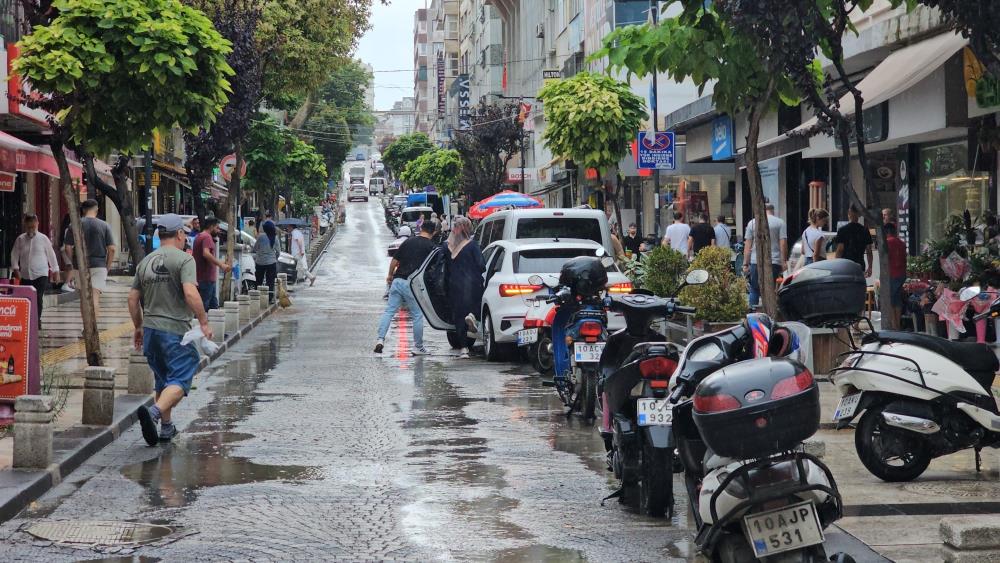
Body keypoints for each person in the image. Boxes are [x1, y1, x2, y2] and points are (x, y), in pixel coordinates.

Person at [129, 214, 211, 446]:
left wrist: (138, 326)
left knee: (163, 379)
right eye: (184, 233)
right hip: (174, 330)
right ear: (179, 234)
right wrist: (203, 322)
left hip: (151, 331)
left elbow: (132, 299)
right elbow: (190, 293)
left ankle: (166, 427)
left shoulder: (145, 262)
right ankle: (154, 413)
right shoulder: (185, 260)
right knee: (183, 373)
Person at [375, 221, 436, 356]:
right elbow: (433, 269)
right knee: (417, 315)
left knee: (389, 312)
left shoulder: (408, 242)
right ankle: (418, 347)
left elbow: (394, 261)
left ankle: (380, 339)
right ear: (434, 232)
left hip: (397, 280)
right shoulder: (431, 247)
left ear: (421, 228)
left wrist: (390, 276)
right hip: (413, 284)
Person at [64, 199, 115, 316]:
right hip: (99, 265)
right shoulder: (104, 225)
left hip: (80, 265)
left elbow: (67, 247)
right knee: (95, 298)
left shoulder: (74, 225)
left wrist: (74, 261)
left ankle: (85, 328)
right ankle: (94, 330)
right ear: (96, 210)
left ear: (83, 210)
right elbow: (112, 248)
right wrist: (107, 266)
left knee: (84, 299)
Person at [445, 216, 486, 359]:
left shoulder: (447, 247)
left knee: (458, 316)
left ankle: (463, 348)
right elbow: (482, 265)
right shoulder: (473, 245)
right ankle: (473, 317)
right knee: (475, 305)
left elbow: (442, 268)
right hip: (473, 284)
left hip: (455, 285)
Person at [11, 213, 60, 324]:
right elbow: (14, 254)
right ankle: (26, 321)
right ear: (25, 225)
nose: (31, 229)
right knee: (25, 299)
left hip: (41, 274)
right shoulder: (20, 239)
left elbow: (51, 255)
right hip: (25, 275)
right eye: (29, 227)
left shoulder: (43, 239)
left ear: (37, 224)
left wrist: (55, 271)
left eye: (33, 227)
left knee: (38, 297)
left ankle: (36, 321)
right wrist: (15, 269)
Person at [742, 203, 788, 308]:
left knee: (754, 289)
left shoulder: (752, 223)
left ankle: (752, 311)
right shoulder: (780, 223)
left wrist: (745, 263)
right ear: (773, 210)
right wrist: (783, 261)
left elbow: (748, 245)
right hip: (774, 261)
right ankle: (770, 312)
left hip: (755, 261)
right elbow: (783, 243)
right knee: (771, 289)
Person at [192, 217, 231, 311]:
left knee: (213, 306)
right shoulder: (206, 237)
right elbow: (206, 253)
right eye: (217, 228)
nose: (218, 231)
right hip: (206, 278)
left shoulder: (200, 236)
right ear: (211, 226)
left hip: (205, 278)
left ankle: (212, 325)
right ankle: (200, 324)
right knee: (204, 306)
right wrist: (221, 265)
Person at [834, 204, 874, 277]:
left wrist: (836, 265)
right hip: (859, 264)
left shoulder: (842, 230)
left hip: (845, 264)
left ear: (849, 213)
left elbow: (840, 249)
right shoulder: (864, 230)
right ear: (859, 215)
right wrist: (870, 267)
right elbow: (869, 250)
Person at [884, 223, 907, 329]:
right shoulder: (901, 243)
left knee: (891, 300)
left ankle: (894, 325)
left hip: (891, 274)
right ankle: (897, 324)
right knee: (897, 299)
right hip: (901, 274)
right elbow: (904, 259)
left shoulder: (886, 243)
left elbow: (886, 260)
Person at [253, 221, 280, 303]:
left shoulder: (260, 237)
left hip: (260, 262)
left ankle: (257, 297)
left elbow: (255, 248)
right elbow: (278, 252)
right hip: (271, 263)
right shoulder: (275, 238)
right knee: (270, 281)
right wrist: (274, 258)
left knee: (259, 280)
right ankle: (270, 298)